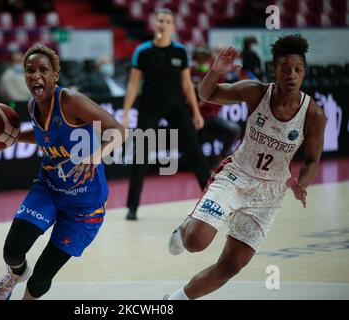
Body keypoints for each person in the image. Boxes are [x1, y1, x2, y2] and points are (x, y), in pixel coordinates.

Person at [165, 34, 325, 300]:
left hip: (269, 194)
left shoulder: (313, 114)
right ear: (274, 70)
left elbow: (311, 160)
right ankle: (184, 229)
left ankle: (173, 301)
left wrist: (303, 183)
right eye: (286, 69)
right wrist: (216, 72)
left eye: (298, 70)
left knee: (232, 265)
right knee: (196, 242)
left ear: (304, 72)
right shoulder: (256, 91)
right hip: (236, 176)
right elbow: (206, 94)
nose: (292, 75)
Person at [0, 44, 126, 300]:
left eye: (43, 69)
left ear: (55, 75)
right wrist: (3, 137)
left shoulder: (71, 101)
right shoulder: (33, 106)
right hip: (49, 189)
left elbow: (118, 130)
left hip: (84, 208)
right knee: (12, 250)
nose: (35, 75)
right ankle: (15, 273)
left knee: (42, 275)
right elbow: (45, 138)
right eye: (30, 70)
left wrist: (95, 155)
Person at [122, 8, 211, 220]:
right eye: (160, 20)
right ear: (155, 24)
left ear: (172, 27)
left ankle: (210, 200)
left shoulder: (180, 51)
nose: (163, 23)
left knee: (195, 150)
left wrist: (196, 113)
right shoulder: (142, 51)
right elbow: (133, 85)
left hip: (175, 105)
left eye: (167, 21)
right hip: (149, 105)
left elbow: (188, 85)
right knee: (141, 155)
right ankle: (132, 207)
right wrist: (125, 113)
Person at [191, 46, 241, 167]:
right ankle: (194, 163)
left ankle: (222, 157)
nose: (202, 61)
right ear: (195, 59)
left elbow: (224, 88)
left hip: (211, 117)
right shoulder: (189, 72)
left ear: (209, 59)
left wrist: (234, 74)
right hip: (194, 116)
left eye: (204, 58)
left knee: (234, 130)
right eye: (199, 58)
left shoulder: (214, 72)